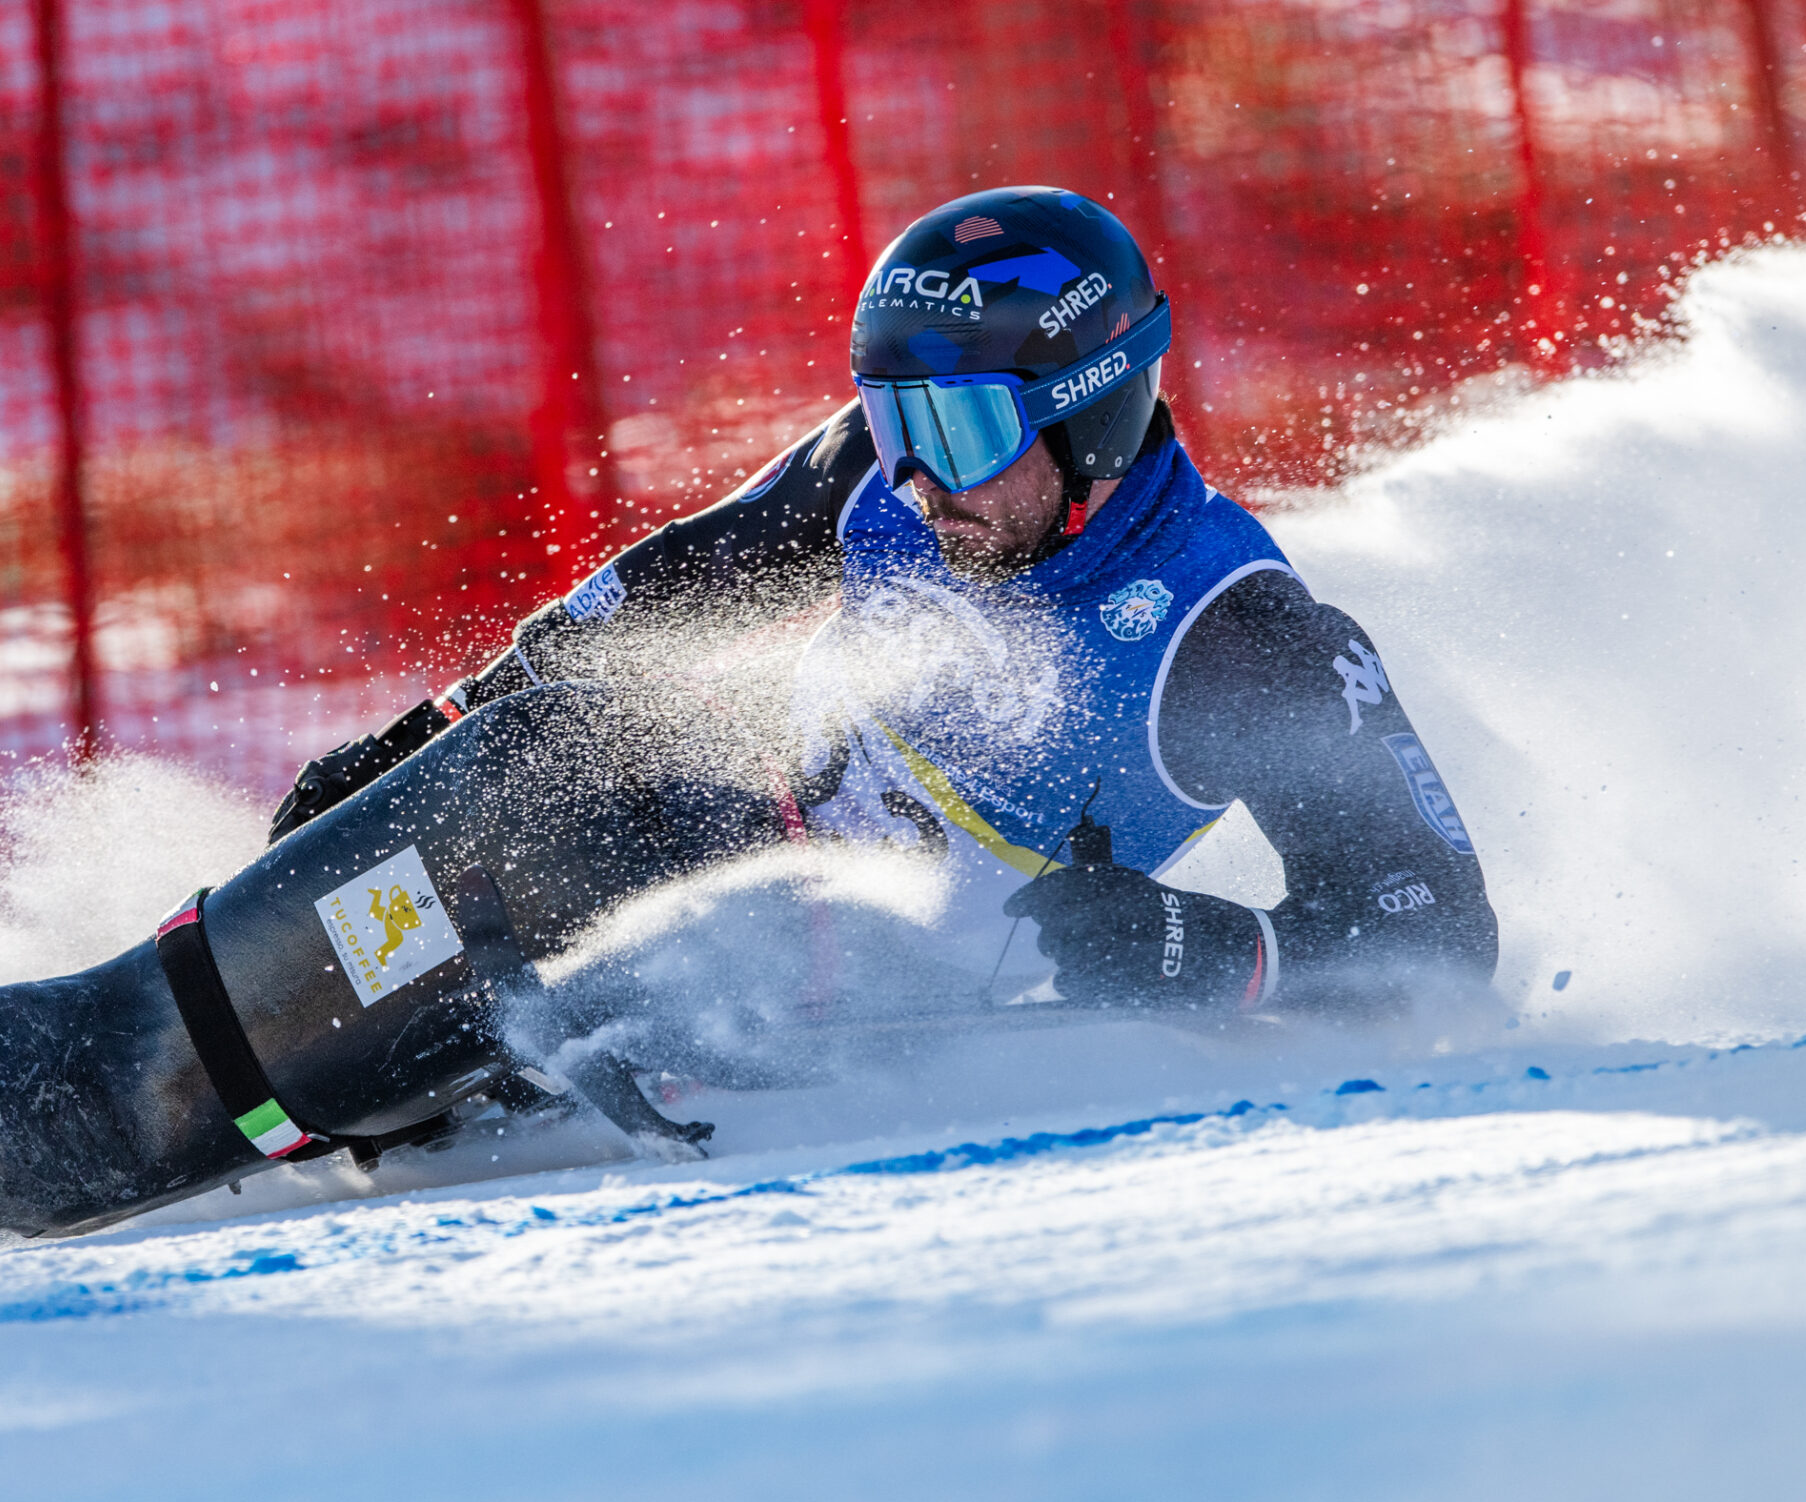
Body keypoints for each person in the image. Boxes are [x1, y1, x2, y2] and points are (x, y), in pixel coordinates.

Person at [270, 186, 1498, 1013]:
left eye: (957, 429)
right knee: (535, 757)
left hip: (898, 987)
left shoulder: (1236, 635)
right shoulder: (882, 479)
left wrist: (1215, 949)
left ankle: (329, 1066)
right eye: (887, 417)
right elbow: (661, 594)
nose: (911, 477)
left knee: (624, 936)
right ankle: (237, 1024)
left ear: (1090, 412)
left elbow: (1440, 933)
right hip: (740, 818)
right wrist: (436, 734)